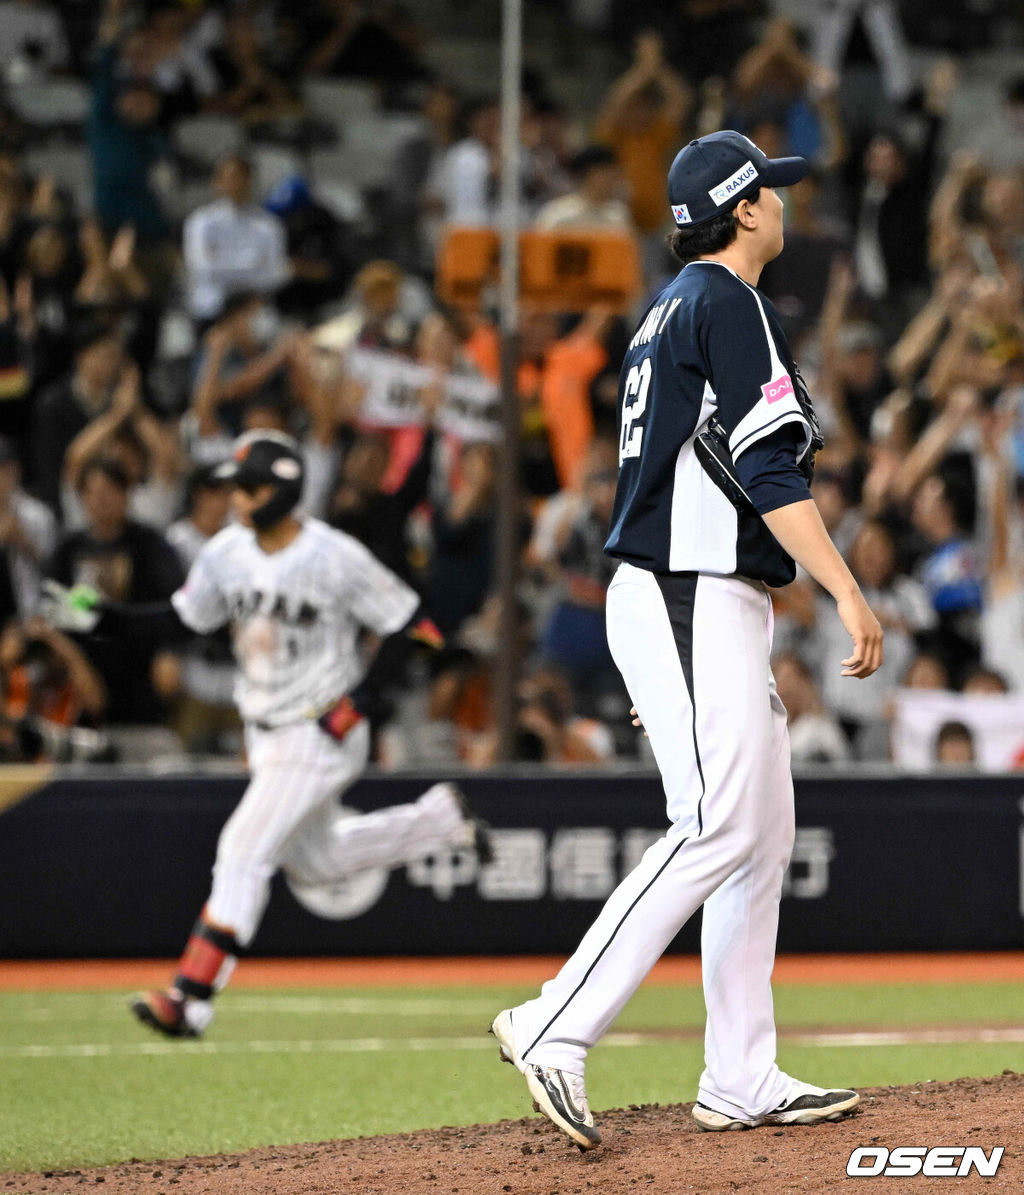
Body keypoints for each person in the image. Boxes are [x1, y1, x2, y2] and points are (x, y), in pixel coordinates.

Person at [491, 130, 883, 1149]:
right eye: (772, 192)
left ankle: (740, 1071)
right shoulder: (725, 300)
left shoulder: (670, 311)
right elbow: (767, 472)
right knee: (717, 825)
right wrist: (844, 588)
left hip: (685, 600)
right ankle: (554, 1023)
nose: (784, 204)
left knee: (759, 829)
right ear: (743, 209)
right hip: (687, 592)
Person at [41, 431, 490, 1038]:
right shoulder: (226, 553)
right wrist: (104, 616)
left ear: (284, 488)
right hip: (266, 733)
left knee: (242, 850)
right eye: (234, 488)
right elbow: (180, 619)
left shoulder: (333, 554)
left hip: (320, 728)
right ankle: (440, 820)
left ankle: (191, 997)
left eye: (249, 488)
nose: (238, 500)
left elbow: (419, 627)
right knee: (319, 864)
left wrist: (363, 700)